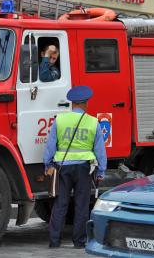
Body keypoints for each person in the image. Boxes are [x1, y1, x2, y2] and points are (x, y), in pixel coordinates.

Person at [43, 85, 107, 248]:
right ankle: (79, 242)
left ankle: (54, 241)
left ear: (72, 104)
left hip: (62, 167)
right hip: (84, 169)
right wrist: (101, 171)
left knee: (60, 204)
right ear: (86, 104)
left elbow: (50, 146)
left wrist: (47, 164)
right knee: (81, 205)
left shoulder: (60, 120)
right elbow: (100, 151)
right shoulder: (93, 123)